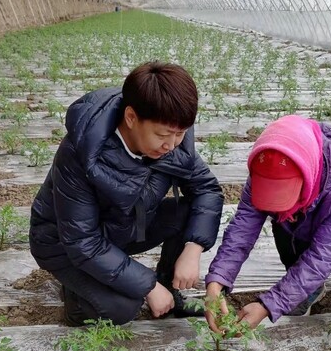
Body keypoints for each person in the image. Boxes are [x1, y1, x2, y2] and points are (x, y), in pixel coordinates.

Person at [29, 61, 223, 326]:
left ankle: (170, 289)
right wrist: (148, 287)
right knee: (122, 308)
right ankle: (76, 300)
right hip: (63, 243)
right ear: (131, 118)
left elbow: (207, 190)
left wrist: (193, 248)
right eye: (163, 135)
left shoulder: (172, 143)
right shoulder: (82, 153)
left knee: (189, 213)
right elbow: (82, 241)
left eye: (180, 134)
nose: (171, 145)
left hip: (122, 227)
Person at [204, 115, 331, 331]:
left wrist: (268, 305)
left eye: (284, 195)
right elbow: (242, 231)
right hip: (316, 221)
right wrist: (217, 282)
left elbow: (323, 256)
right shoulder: (266, 169)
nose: (277, 207)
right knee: (286, 225)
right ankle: (310, 290)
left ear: (308, 173)